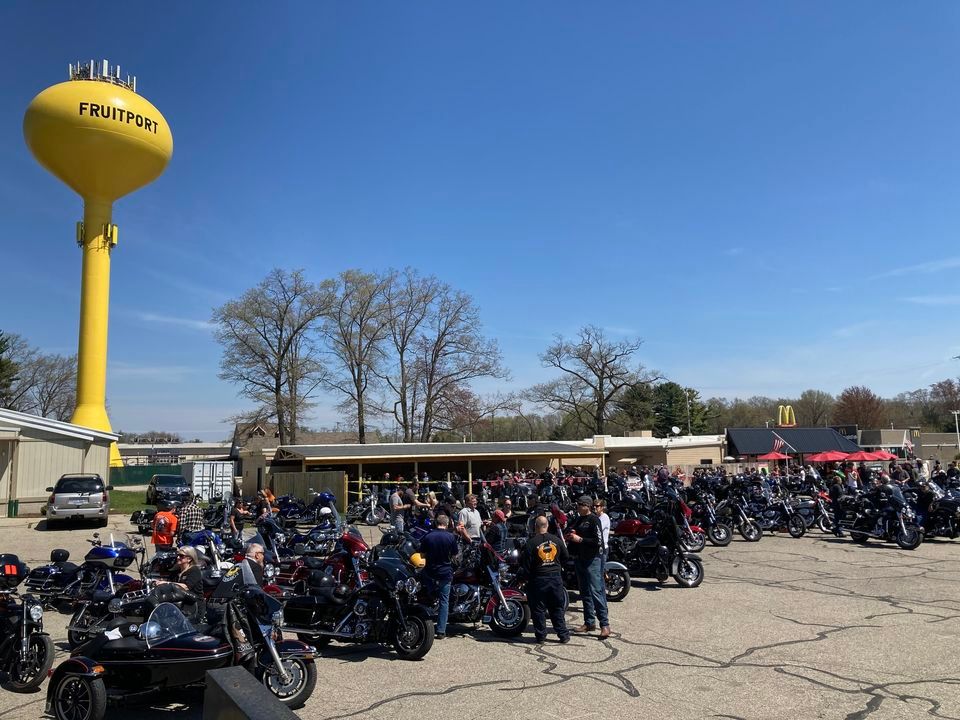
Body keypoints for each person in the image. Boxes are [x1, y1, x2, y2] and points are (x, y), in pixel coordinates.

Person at [565, 495, 610, 639]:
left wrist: (581, 539)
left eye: (580, 504)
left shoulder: (593, 520)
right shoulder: (579, 519)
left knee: (596, 590)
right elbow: (570, 529)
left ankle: (604, 624)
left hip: (593, 559)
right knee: (584, 591)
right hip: (580, 558)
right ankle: (589, 622)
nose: (577, 507)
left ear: (587, 506)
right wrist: (570, 534)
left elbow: (598, 541)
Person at [520, 515, 570, 644]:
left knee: (538, 609)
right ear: (547, 525)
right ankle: (563, 635)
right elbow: (566, 556)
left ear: (535, 526)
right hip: (555, 578)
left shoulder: (531, 543)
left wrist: (524, 579)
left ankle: (541, 636)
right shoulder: (557, 540)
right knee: (557, 608)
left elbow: (526, 565)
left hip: (539, 579)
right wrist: (557, 566)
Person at [418, 514, 459, 639]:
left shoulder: (428, 536)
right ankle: (441, 630)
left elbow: (422, 554)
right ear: (447, 524)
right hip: (445, 573)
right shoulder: (451, 537)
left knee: (425, 595)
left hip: (430, 572)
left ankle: (424, 623)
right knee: (444, 601)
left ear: (436, 523)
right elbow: (454, 555)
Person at [828, 472, 846, 538]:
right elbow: (840, 495)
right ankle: (837, 530)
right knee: (840, 517)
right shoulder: (837, 486)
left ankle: (836, 530)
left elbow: (830, 495)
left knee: (837, 517)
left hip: (835, 503)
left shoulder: (832, 486)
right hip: (839, 504)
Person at [594, 499, 610, 563]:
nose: (595, 507)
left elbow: (596, 529)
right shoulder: (596, 517)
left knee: (600, 569)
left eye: (597, 506)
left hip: (603, 547)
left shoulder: (604, 517)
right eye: (594, 506)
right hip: (596, 547)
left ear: (602, 507)